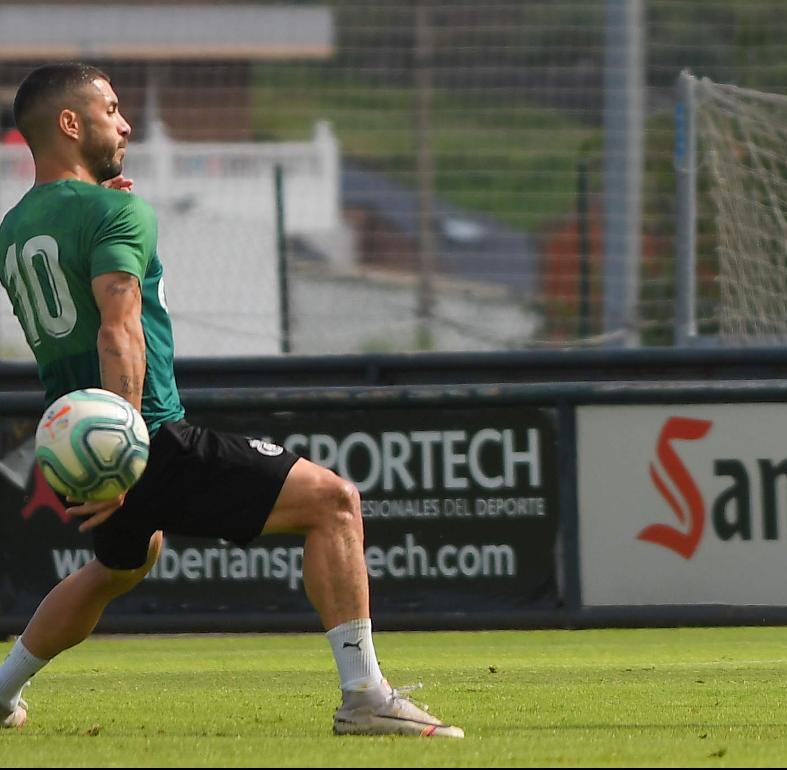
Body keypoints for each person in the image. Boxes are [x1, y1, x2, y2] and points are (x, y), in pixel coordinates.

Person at [0, 63, 463, 738]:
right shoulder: (115, 210)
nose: (124, 121)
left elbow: (73, 283)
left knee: (118, 568)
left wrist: (100, 459)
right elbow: (117, 328)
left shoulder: (15, 230)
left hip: (77, 446)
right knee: (334, 502)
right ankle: (365, 695)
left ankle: (3, 689)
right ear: (70, 124)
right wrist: (125, 454)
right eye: (111, 107)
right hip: (137, 437)